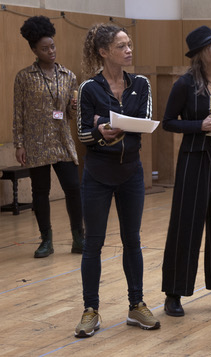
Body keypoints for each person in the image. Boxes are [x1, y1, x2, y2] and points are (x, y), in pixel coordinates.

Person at [74, 23, 160, 338]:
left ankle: (136, 305)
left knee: (132, 241)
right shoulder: (89, 88)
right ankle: (90, 310)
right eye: (122, 46)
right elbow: (83, 134)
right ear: (104, 51)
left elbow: (145, 122)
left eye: (129, 44)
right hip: (97, 174)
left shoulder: (141, 84)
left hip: (131, 174)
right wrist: (98, 129)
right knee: (93, 244)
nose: (129, 50)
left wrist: (109, 123)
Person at [161, 25, 211, 317]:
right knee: (186, 225)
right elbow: (168, 122)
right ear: (198, 54)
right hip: (194, 159)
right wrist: (198, 126)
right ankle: (174, 293)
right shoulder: (184, 84)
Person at [13, 15, 83, 258]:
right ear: (34, 50)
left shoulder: (68, 76)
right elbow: (18, 114)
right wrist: (19, 144)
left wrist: (74, 105)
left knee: (74, 188)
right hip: (36, 143)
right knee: (39, 192)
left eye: (52, 46)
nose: (51, 51)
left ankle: (78, 237)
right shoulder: (24, 77)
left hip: (62, 141)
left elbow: (71, 115)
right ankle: (46, 240)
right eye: (44, 48)